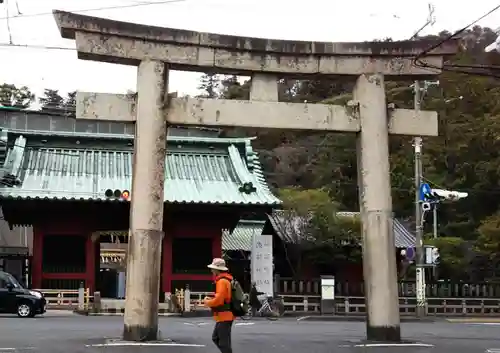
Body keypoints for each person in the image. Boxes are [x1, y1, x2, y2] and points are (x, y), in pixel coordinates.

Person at [204, 258, 234, 353]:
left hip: (224, 315)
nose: (211, 270)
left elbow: (219, 300)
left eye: (213, 268)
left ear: (217, 269)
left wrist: (207, 302)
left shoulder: (222, 281)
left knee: (223, 342)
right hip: (226, 315)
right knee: (216, 338)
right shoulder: (226, 280)